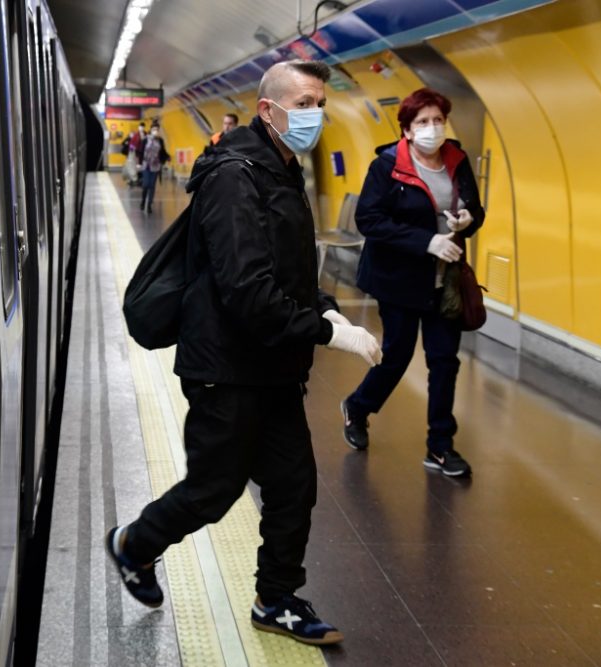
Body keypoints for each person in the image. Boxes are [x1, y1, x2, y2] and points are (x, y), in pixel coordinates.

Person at [106, 60, 383, 646]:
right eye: (305, 103)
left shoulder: (283, 168)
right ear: (268, 110)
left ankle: (275, 599)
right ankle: (135, 543)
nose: (316, 115)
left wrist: (324, 305)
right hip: (225, 366)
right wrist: (328, 331)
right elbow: (246, 290)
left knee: (294, 485)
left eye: (320, 103)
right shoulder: (235, 176)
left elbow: (288, 267)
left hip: (274, 365)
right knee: (214, 489)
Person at [340, 88, 484, 477]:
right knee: (398, 354)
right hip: (398, 279)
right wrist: (427, 241)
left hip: (445, 280)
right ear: (406, 129)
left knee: (444, 362)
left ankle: (440, 446)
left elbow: (475, 207)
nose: (432, 129)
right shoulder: (387, 167)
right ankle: (358, 406)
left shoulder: (456, 159)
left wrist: (468, 220)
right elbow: (369, 219)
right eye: (423, 122)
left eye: (438, 120)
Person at [137, 124, 169, 213]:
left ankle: (149, 204)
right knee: (146, 184)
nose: (156, 131)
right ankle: (143, 201)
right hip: (146, 165)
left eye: (157, 129)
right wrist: (139, 163)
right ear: (151, 130)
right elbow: (141, 151)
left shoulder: (160, 141)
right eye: (154, 129)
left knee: (152, 186)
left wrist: (167, 157)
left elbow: (163, 151)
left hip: (156, 166)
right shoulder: (145, 140)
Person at [123, 122, 146, 187]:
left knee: (139, 167)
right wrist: (132, 149)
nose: (141, 128)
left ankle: (138, 180)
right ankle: (133, 180)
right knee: (132, 166)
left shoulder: (145, 134)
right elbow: (131, 144)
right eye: (140, 126)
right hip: (134, 153)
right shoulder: (136, 135)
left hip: (141, 153)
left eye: (142, 127)